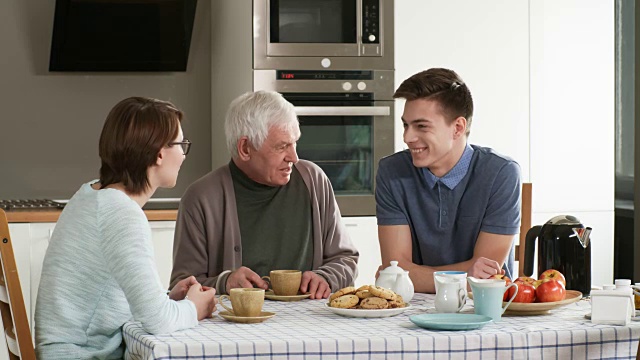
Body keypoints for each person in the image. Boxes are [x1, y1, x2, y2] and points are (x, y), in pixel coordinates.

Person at [35, 97, 217, 359]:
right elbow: (160, 322)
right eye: (181, 144)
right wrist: (193, 308)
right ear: (159, 153)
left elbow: (111, 298)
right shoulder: (121, 213)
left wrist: (166, 298)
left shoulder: (91, 193)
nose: (183, 154)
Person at [170, 90, 358, 299]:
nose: (294, 157)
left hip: (308, 324)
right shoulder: (201, 198)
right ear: (245, 148)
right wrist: (224, 282)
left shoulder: (313, 180)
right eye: (282, 146)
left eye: (294, 143)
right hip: (234, 329)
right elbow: (181, 287)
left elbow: (345, 259)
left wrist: (327, 277)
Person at [376, 68, 521, 294]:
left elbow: (485, 279)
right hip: (412, 314)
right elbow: (394, 270)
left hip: (485, 314)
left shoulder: (501, 173)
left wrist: (410, 275)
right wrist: (465, 275)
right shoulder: (391, 171)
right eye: (406, 125)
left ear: (458, 128)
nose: (407, 137)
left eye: (421, 126)